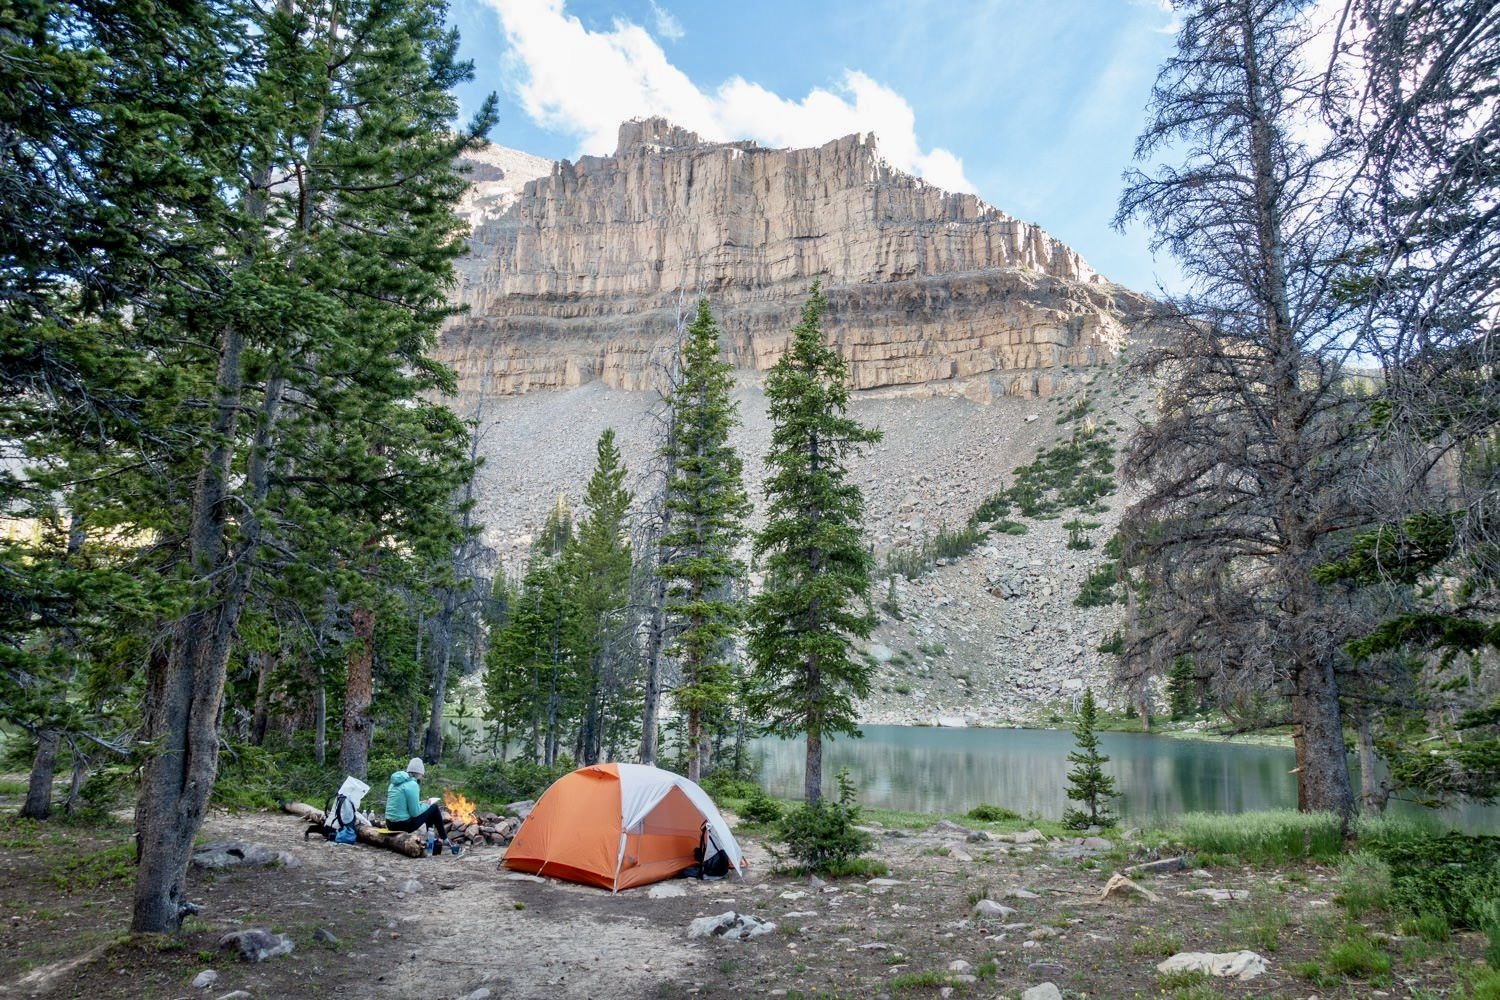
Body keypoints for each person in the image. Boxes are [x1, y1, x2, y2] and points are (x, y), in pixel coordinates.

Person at [384, 757, 461, 856]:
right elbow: (414, 812)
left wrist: (421, 803)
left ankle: (431, 840)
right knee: (434, 808)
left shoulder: (395, 783)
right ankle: (444, 838)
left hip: (390, 823)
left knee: (429, 809)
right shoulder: (412, 785)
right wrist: (427, 804)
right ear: (419, 772)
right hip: (402, 825)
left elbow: (404, 804)